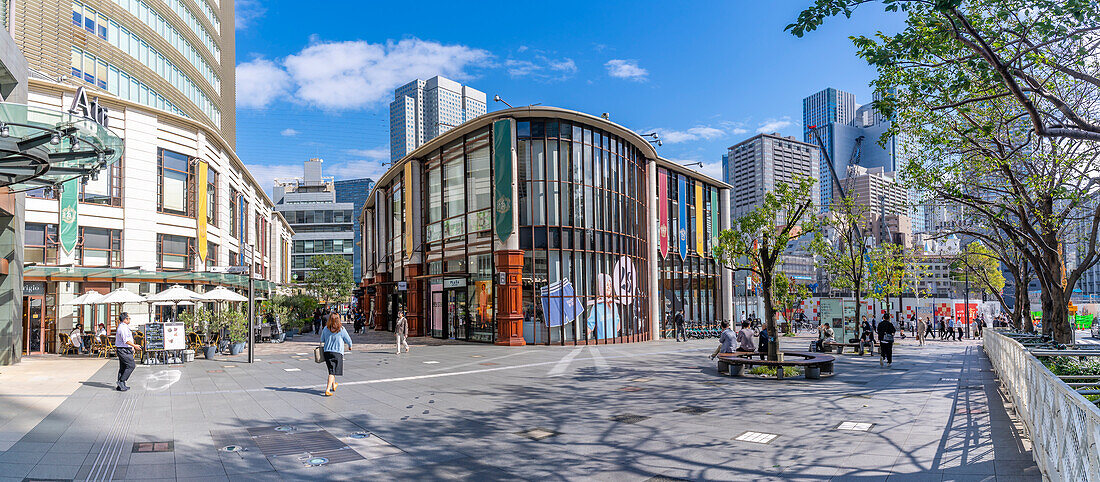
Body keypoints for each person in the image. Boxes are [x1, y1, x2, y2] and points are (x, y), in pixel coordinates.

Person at [320, 313, 353, 397]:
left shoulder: (325, 329)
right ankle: (327, 389)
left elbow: (322, 339)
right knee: (332, 372)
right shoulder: (341, 329)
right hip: (337, 352)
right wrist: (350, 346)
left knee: (332, 369)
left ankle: (333, 385)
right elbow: (348, 339)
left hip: (327, 352)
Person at [114, 313, 141, 391]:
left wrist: (132, 347)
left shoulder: (124, 327)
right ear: (125, 319)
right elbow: (126, 340)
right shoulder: (123, 328)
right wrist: (134, 346)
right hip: (123, 349)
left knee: (123, 367)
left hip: (124, 349)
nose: (130, 320)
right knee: (131, 365)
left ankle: (121, 385)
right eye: (129, 318)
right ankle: (122, 381)